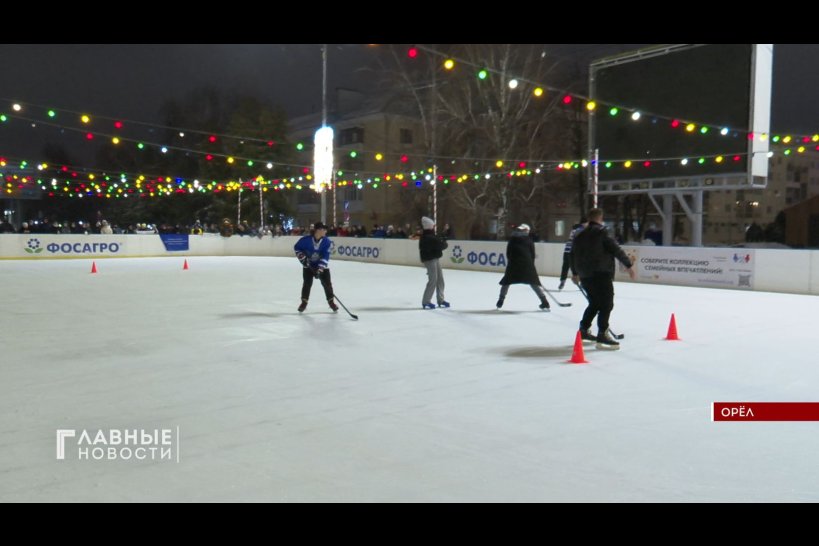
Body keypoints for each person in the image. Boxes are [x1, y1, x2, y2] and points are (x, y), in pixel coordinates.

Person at [570, 208, 636, 350]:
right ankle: (602, 333)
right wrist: (628, 265)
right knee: (606, 303)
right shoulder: (602, 232)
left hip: (585, 275)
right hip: (601, 272)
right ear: (600, 218)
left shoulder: (579, 235)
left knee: (594, 303)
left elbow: (572, 254)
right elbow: (615, 249)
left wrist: (575, 273)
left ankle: (584, 330)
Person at [496, 224, 550, 311]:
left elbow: (508, 253)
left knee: (506, 282)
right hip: (527, 264)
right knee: (533, 283)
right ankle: (544, 301)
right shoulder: (529, 240)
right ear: (525, 231)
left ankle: (500, 300)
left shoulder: (512, 240)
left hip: (514, 264)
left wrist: (512, 262)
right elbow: (532, 254)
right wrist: (531, 265)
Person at [294, 221, 338, 313]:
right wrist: (303, 259)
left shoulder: (327, 242)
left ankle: (331, 302)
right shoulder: (305, 240)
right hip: (308, 266)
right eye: (324, 229)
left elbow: (326, 256)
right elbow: (297, 248)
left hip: (321, 266)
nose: (325, 231)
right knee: (307, 284)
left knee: (327, 284)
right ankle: (304, 302)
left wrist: (320, 269)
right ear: (318, 230)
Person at [419, 216, 449, 309]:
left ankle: (440, 299)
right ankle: (426, 301)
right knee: (433, 280)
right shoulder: (428, 237)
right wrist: (443, 241)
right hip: (430, 260)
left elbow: (439, 243)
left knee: (440, 279)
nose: (434, 227)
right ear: (429, 226)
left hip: (435, 258)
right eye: (433, 226)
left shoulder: (430, 236)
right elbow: (442, 245)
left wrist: (442, 239)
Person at [559, 220, 586, 290]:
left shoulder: (573, 230)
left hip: (566, 250)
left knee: (565, 266)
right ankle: (582, 283)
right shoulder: (581, 230)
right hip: (574, 251)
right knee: (579, 267)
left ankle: (562, 281)